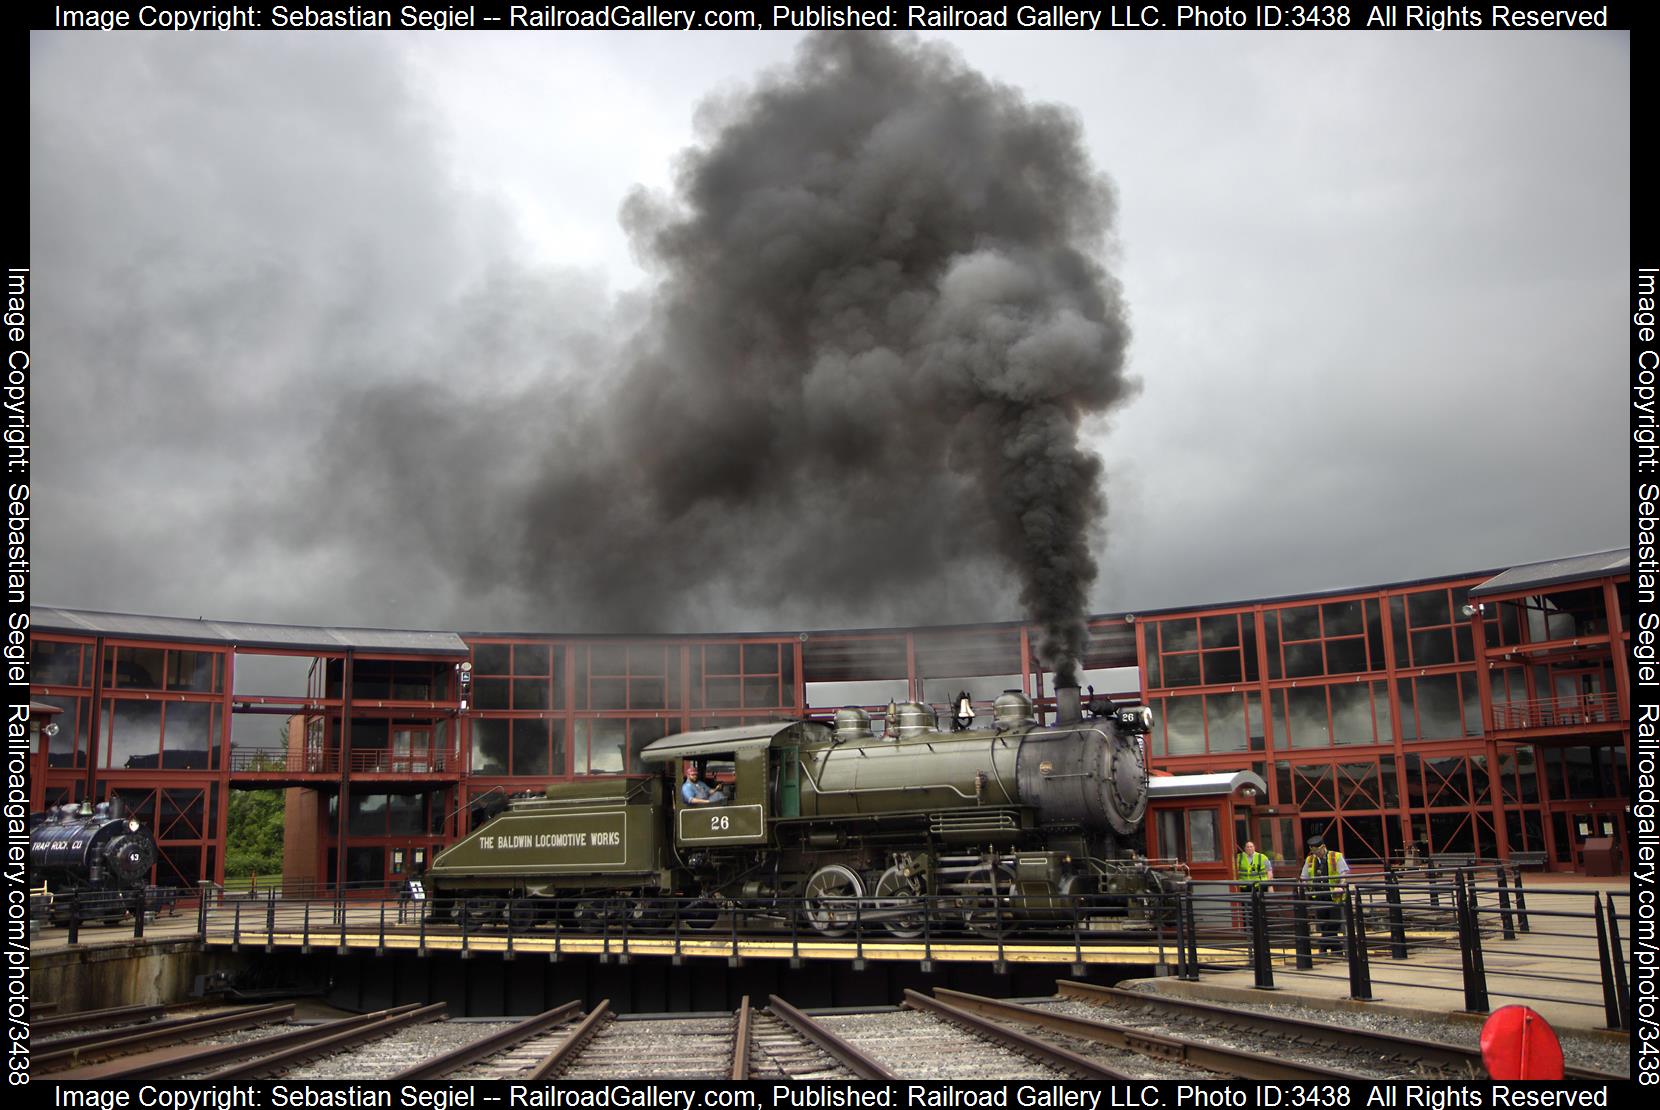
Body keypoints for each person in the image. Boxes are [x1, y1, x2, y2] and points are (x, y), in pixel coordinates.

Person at [1300, 836, 1350, 955]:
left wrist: (1340, 886)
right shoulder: (1310, 860)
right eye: (1313, 851)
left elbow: (1343, 873)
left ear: (1323, 847)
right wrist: (1303, 885)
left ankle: (1324, 946)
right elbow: (1304, 877)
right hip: (1318, 896)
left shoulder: (1336, 856)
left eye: (1317, 851)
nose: (1315, 853)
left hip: (1334, 896)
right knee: (1323, 923)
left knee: (1333, 923)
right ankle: (1335, 949)